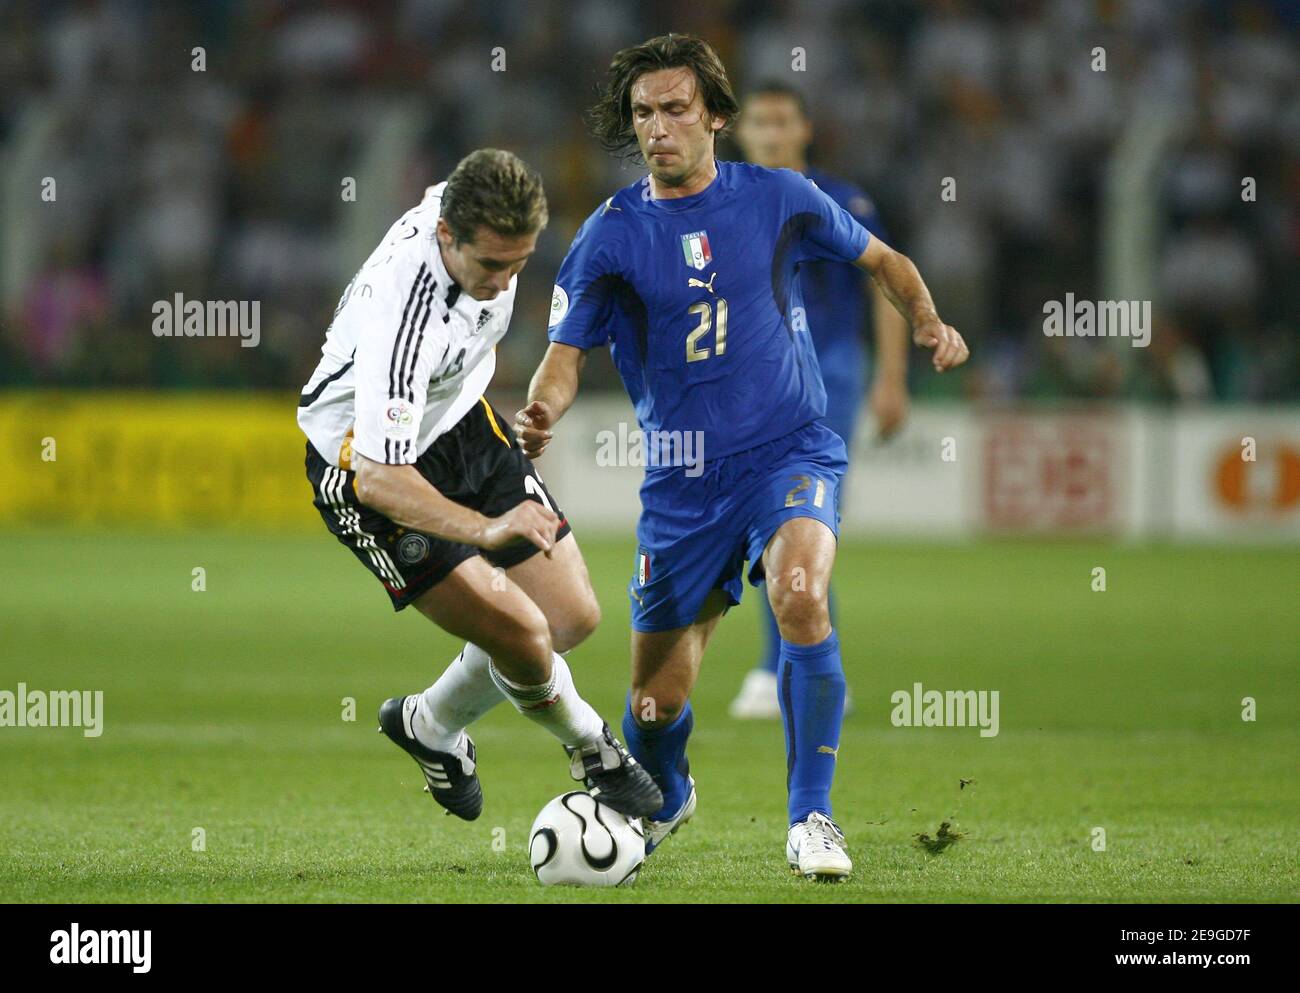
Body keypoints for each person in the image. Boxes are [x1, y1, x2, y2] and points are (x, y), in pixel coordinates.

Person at [516, 35, 968, 880]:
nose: (659, 127)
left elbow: (885, 261)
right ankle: (671, 788)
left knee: (800, 596)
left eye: (676, 109)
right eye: (644, 113)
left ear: (714, 116)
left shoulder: (780, 198)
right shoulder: (608, 236)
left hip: (789, 448)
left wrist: (928, 321)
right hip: (683, 485)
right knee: (657, 702)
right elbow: (565, 356)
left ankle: (813, 818)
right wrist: (542, 408)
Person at [296, 148, 662, 825]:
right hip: (368, 469)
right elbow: (379, 475)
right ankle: (593, 749)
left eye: (518, 264)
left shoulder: (484, 213)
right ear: (445, 235)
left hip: (463, 425)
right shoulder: (402, 314)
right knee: (524, 632)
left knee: (570, 618)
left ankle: (428, 723)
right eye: (490, 265)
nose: (502, 283)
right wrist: (485, 530)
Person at [728, 81, 911, 719]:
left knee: (803, 514)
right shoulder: (727, 201)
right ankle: (790, 666)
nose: (772, 134)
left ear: (804, 130)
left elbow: (884, 282)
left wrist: (892, 376)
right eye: (760, 122)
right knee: (764, 512)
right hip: (755, 376)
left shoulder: (842, 200)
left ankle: (785, 667)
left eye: (783, 122)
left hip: (831, 370)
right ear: (741, 132)